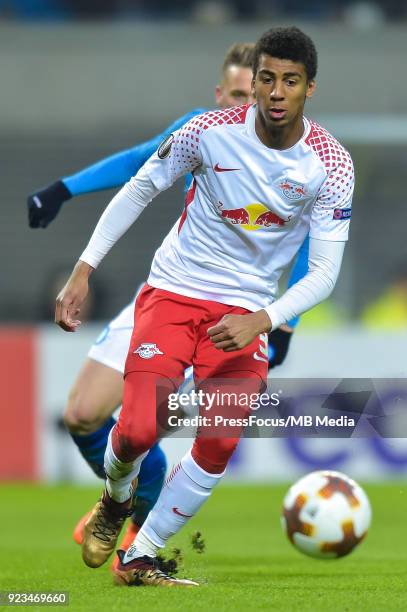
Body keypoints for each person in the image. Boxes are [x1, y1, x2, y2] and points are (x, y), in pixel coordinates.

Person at [56, 26, 354, 586]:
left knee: (218, 442)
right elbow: (140, 188)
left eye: (290, 81)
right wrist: (83, 269)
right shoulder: (208, 132)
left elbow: (325, 272)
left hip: (244, 315)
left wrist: (264, 320)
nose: (275, 92)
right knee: (139, 431)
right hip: (174, 293)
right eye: (266, 78)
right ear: (255, 81)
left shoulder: (331, 165)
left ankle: (140, 556)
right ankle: (116, 500)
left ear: (309, 88)